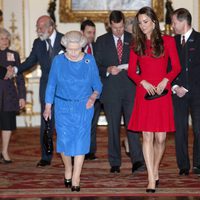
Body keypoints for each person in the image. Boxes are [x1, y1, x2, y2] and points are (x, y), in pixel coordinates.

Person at [128, 7, 181, 193]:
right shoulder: (136, 43)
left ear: (154, 22)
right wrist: (142, 81)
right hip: (144, 93)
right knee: (147, 136)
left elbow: (176, 67)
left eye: (145, 22)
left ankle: (155, 167)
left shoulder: (168, 41)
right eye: (140, 22)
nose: (142, 26)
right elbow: (131, 71)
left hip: (162, 92)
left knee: (161, 138)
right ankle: (151, 177)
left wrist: (166, 80)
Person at [43, 31, 102, 192]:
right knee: (64, 141)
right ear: (65, 47)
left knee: (81, 141)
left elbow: (97, 85)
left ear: (82, 47)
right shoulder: (58, 61)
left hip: (84, 106)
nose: (74, 53)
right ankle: (68, 167)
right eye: (70, 50)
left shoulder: (89, 60)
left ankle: (76, 176)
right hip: (62, 107)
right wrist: (48, 106)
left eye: (77, 49)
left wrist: (93, 97)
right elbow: (51, 84)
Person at [95, 10, 144, 174]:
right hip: (111, 92)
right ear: (110, 25)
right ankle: (115, 162)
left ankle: (137, 160)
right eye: (115, 28)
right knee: (113, 128)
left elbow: (142, 63)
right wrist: (108, 69)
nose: (119, 31)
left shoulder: (133, 40)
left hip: (130, 90)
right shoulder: (101, 41)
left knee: (133, 127)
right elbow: (96, 66)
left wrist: (136, 68)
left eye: (121, 27)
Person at [15, 15, 64, 167]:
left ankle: (69, 154)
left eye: (40, 27)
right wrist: (15, 69)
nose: (38, 30)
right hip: (46, 88)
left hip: (64, 89)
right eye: (37, 27)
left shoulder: (65, 40)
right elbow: (30, 62)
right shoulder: (38, 43)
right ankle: (46, 156)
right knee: (46, 123)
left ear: (51, 28)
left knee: (64, 123)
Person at [171, 8, 200, 176]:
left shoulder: (199, 39)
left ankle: (198, 163)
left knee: (198, 129)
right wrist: (175, 87)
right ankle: (183, 165)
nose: (173, 26)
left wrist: (187, 87)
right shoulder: (172, 42)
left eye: (174, 22)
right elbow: (168, 66)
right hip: (177, 93)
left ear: (183, 22)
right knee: (180, 130)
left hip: (197, 93)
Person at [0, 28, 26, 163]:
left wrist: (22, 96)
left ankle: (4, 151)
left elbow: (20, 77)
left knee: (7, 124)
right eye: (2, 38)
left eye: (6, 38)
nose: (5, 41)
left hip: (8, 95)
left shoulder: (13, 55)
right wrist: (5, 72)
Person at [81, 19, 102, 160]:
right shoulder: (76, 48)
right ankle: (79, 149)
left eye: (93, 32)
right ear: (82, 32)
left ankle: (90, 151)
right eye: (89, 32)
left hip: (96, 91)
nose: (91, 35)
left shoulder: (98, 47)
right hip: (81, 93)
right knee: (81, 123)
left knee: (93, 122)